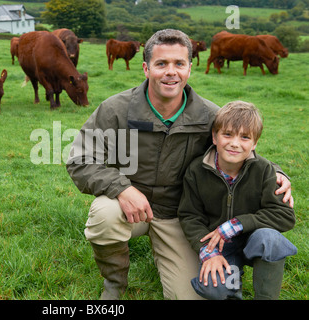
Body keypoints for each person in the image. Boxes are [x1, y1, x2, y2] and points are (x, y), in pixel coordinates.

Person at [66, 29, 293, 300]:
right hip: (129, 207)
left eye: (179, 64)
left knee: (192, 296)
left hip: (179, 215)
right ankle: (114, 284)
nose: (170, 72)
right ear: (146, 68)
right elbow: (79, 158)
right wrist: (121, 189)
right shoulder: (115, 109)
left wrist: (278, 173)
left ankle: (167, 255)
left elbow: (240, 148)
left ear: (189, 69)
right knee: (103, 214)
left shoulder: (209, 115)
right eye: (161, 64)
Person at [178, 101, 297, 300]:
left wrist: (238, 224)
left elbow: (284, 216)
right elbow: (190, 216)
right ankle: (232, 287)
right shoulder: (197, 171)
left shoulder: (264, 170)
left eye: (244, 137)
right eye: (228, 134)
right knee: (215, 287)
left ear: (255, 143)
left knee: (271, 240)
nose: (235, 143)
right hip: (221, 246)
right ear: (214, 137)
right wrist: (208, 252)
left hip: (255, 239)